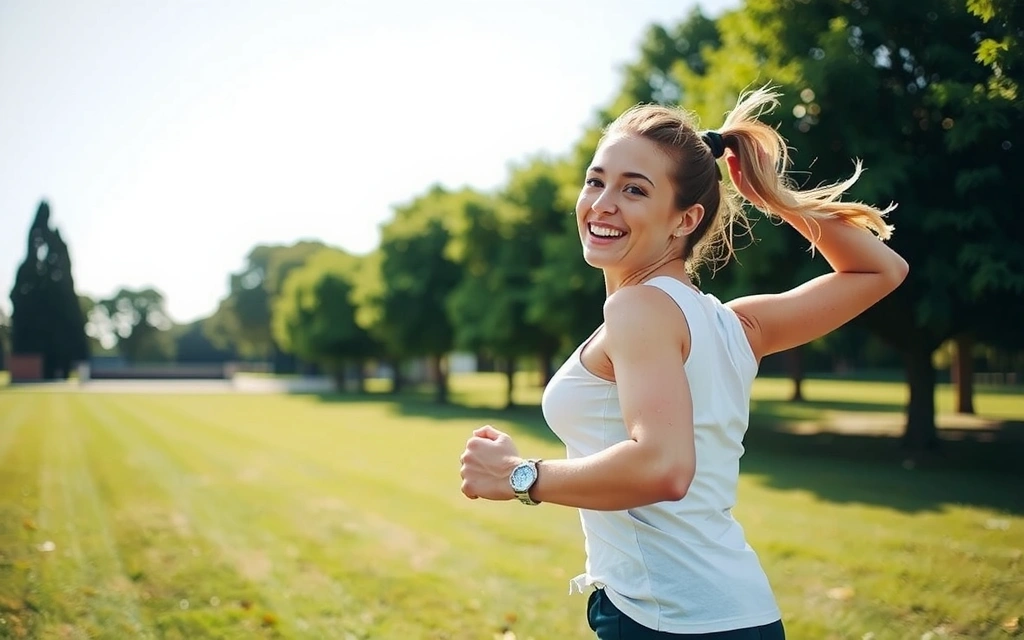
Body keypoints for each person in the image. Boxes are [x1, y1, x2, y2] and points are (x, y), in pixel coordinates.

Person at [458, 86, 909, 639]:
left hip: (672, 621)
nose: (602, 203)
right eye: (596, 180)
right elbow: (880, 271)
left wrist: (519, 477)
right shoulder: (735, 324)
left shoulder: (640, 308)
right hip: (736, 613)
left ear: (684, 219)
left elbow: (663, 468)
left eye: (634, 189)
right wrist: (774, 199)